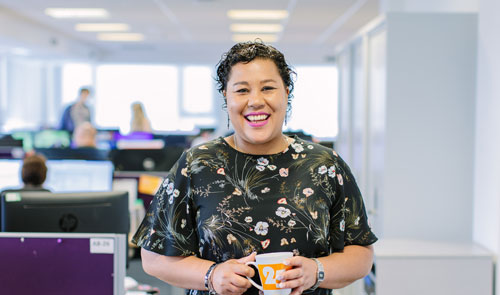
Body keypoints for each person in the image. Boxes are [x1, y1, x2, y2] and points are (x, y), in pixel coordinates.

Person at [132, 41, 377, 295]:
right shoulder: (196, 164)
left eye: (268, 88)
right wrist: (212, 275)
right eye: (241, 90)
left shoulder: (324, 166)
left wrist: (316, 271)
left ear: (286, 92)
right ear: (226, 97)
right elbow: (154, 256)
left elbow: (360, 254)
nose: (255, 101)